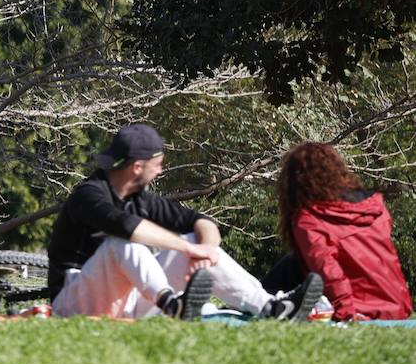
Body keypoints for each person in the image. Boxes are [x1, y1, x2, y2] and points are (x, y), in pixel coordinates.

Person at [47, 123, 323, 321]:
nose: (161, 170)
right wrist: (189, 250)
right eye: (158, 164)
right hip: (75, 302)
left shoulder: (141, 198)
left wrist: (205, 251)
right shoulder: (89, 194)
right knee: (123, 242)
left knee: (195, 239)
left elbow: (201, 222)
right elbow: (128, 228)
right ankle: (173, 305)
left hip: (126, 303)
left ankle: (273, 309)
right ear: (137, 167)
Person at [275, 142, 412, 321]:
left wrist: (346, 312)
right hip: (398, 305)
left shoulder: (309, 220)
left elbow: (327, 271)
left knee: (288, 269)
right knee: (292, 262)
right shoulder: (374, 208)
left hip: (362, 309)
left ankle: (260, 300)